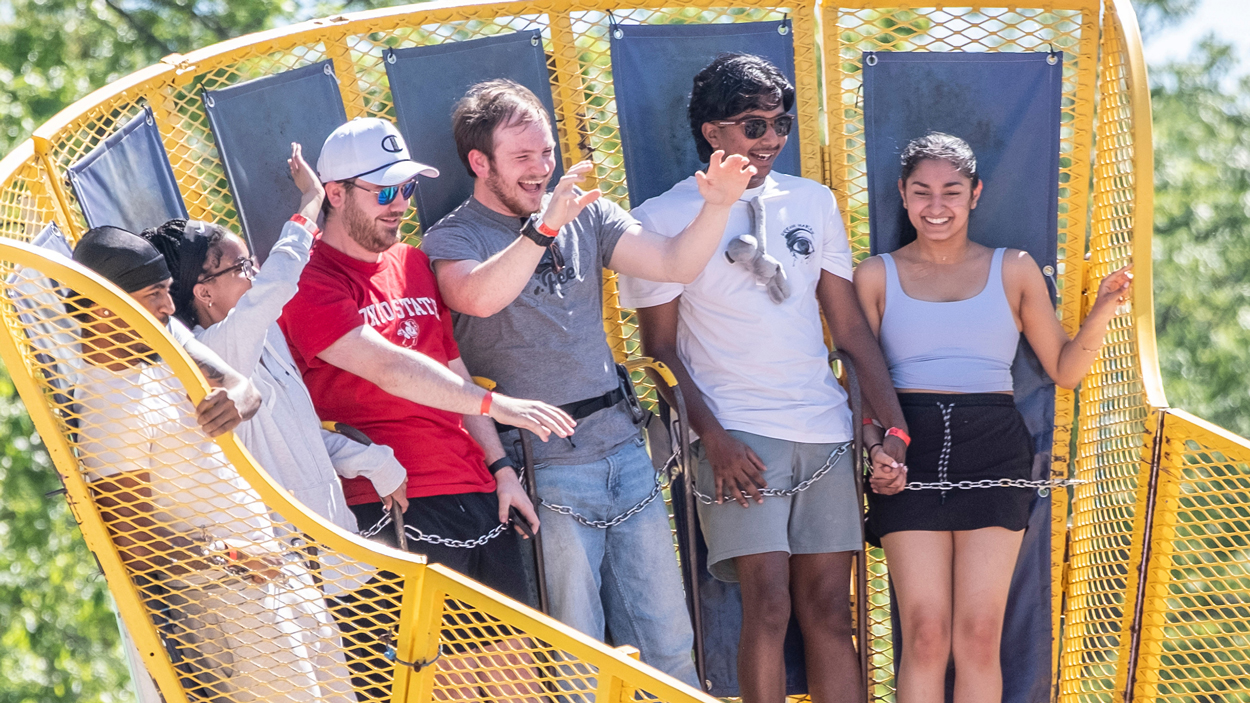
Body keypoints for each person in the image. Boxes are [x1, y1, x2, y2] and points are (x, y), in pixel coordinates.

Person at [420, 78, 754, 685]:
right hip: (541, 467)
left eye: (546, 152)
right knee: (576, 662)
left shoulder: (584, 211)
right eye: (523, 157)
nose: (541, 168)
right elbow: (477, 296)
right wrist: (543, 229)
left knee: (669, 648)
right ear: (479, 162)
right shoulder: (454, 235)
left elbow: (674, 263)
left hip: (625, 452)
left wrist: (720, 205)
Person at [618, 54, 908, 703]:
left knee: (833, 611)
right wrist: (712, 439)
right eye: (755, 125)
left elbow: (850, 330)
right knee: (768, 607)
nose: (773, 138)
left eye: (781, 123)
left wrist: (892, 430)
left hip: (824, 431)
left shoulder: (812, 200)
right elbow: (660, 351)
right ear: (713, 131)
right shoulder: (661, 218)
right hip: (735, 439)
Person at [854, 132, 1132, 703]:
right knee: (926, 634)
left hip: (995, 444)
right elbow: (859, 379)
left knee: (979, 636)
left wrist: (1103, 309)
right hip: (910, 444)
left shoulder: (1015, 268)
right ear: (902, 197)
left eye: (951, 192)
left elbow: (1064, 368)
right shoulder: (874, 275)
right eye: (922, 192)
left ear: (975, 194)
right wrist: (877, 447)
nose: (937, 206)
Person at [277, 115, 575, 604]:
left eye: (408, 189)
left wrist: (499, 467)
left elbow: (451, 368)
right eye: (384, 192)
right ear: (335, 193)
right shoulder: (308, 280)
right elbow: (388, 368)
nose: (399, 206)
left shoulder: (413, 263)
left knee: (514, 675)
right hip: (393, 501)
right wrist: (497, 406)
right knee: (445, 679)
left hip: (474, 490)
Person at [71, 226, 348, 703]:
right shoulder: (107, 408)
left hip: (279, 571)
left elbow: (246, 388)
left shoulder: (160, 336)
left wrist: (235, 402)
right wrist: (236, 557)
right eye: (155, 294)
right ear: (104, 309)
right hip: (228, 600)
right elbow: (137, 548)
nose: (169, 306)